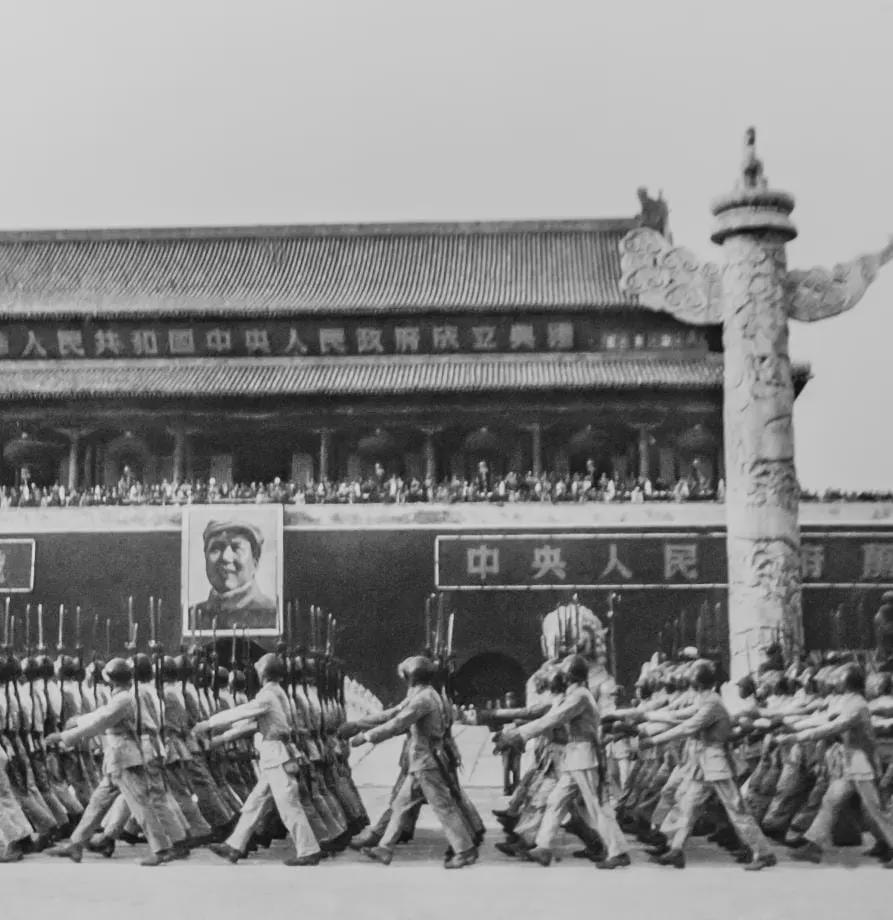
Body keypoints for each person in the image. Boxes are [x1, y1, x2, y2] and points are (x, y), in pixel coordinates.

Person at [496, 654, 630, 870]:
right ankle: (543, 847)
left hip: (584, 757)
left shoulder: (580, 696)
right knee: (556, 800)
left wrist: (520, 734)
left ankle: (619, 852)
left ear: (569, 676)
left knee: (597, 806)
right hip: (575, 757)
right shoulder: (575, 695)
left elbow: (554, 718)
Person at [43, 658, 178, 867]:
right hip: (118, 758)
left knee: (139, 804)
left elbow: (100, 722)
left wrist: (64, 736)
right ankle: (76, 844)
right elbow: (100, 715)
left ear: (110, 679)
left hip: (125, 758)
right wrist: (77, 722)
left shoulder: (123, 699)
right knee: (97, 803)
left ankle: (161, 849)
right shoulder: (124, 697)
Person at [194, 652, 322, 867]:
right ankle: (234, 846)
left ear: (263, 672)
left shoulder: (268, 696)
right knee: (255, 803)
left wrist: (209, 723)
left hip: (277, 755)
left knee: (288, 805)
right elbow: (251, 723)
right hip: (276, 755)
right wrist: (223, 737)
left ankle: (309, 850)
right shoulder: (276, 693)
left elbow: (243, 712)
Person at [351, 655, 478, 869]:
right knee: (401, 805)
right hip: (422, 761)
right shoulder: (426, 694)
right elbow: (395, 713)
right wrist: (359, 725)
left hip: (426, 762)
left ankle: (464, 851)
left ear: (411, 677)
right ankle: (384, 848)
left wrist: (365, 737)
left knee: (443, 807)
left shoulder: (423, 699)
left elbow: (398, 723)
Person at [194, 519, 277, 630]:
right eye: (216, 548)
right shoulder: (192, 617)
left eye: (236, 548)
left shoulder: (273, 614)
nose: (225, 557)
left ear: (255, 561)